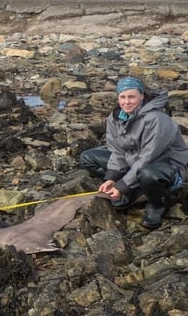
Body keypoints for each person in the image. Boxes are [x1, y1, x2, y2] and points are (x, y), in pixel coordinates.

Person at [80, 76, 188, 229]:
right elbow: (117, 151)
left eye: (132, 96)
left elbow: (148, 158)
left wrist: (122, 186)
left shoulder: (157, 119)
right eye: (122, 97)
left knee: (148, 174)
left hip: (164, 165)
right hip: (134, 161)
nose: (126, 102)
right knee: (88, 158)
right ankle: (137, 191)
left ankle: (157, 203)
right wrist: (112, 178)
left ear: (142, 96)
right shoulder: (115, 117)